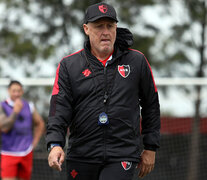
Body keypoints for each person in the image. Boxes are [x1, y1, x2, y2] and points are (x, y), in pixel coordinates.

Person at [46, 2, 160, 180]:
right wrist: (55, 144)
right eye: (99, 26)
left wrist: (150, 147)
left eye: (110, 26)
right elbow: (59, 109)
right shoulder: (69, 65)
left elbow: (151, 105)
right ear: (86, 29)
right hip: (81, 155)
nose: (105, 31)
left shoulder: (137, 61)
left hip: (122, 154)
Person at [0, 80, 45, 180]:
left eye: (18, 91)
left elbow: (40, 123)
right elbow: (4, 128)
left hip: (26, 151)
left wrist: (34, 142)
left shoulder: (29, 106)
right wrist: (15, 112)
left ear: (22, 92)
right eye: (14, 91)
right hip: (8, 152)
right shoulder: (2, 106)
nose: (16, 93)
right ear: (9, 91)